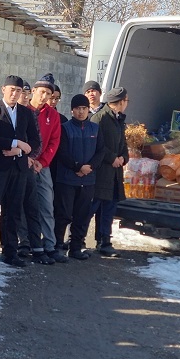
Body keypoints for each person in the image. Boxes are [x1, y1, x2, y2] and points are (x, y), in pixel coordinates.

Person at [0, 76, 41, 268]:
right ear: (3, 89)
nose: (15, 94)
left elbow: (35, 141)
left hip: (19, 167)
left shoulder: (25, 113)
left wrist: (19, 149)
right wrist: (14, 143)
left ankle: (10, 250)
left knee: (13, 211)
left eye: (19, 91)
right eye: (11, 89)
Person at [20, 73, 65, 264]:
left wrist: (42, 161)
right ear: (34, 92)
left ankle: (50, 244)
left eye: (48, 93)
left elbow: (54, 141)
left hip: (42, 166)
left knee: (46, 204)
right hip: (23, 163)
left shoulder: (52, 115)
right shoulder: (22, 110)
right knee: (23, 204)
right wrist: (28, 159)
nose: (44, 96)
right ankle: (25, 242)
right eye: (42, 91)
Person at [55, 94, 105, 260]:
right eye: (78, 109)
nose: (81, 112)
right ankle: (57, 246)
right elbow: (61, 152)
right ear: (72, 110)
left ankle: (75, 247)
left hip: (88, 179)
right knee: (63, 214)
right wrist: (77, 167)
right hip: (67, 179)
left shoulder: (95, 129)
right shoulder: (65, 128)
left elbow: (100, 151)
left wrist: (89, 167)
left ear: (88, 110)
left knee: (82, 216)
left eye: (84, 108)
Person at [90, 87, 130, 257]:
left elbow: (123, 144)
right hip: (101, 172)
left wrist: (123, 157)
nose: (127, 104)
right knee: (91, 208)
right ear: (120, 102)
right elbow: (95, 144)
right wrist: (112, 157)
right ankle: (75, 241)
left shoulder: (119, 119)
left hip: (115, 174)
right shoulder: (100, 118)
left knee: (108, 210)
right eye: (126, 101)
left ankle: (104, 241)